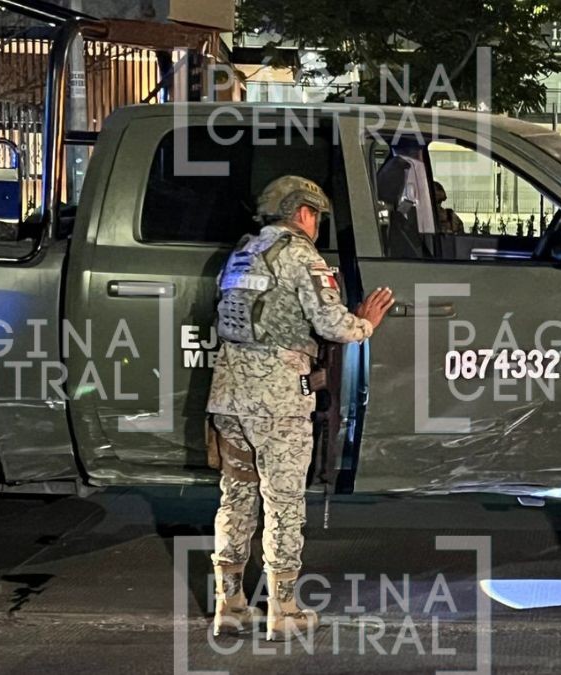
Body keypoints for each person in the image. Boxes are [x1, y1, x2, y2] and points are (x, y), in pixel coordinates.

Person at [206, 175, 395, 641]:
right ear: (304, 212)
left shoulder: (243, 252)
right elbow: (332, 324)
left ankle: (230, 604)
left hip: (229, 393)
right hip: (278, 398)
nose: (317, 226)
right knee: (284, 502)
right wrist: (365, 324)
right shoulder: (299, 254)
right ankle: (283, 609)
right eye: (316, 217)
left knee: (236, 497)